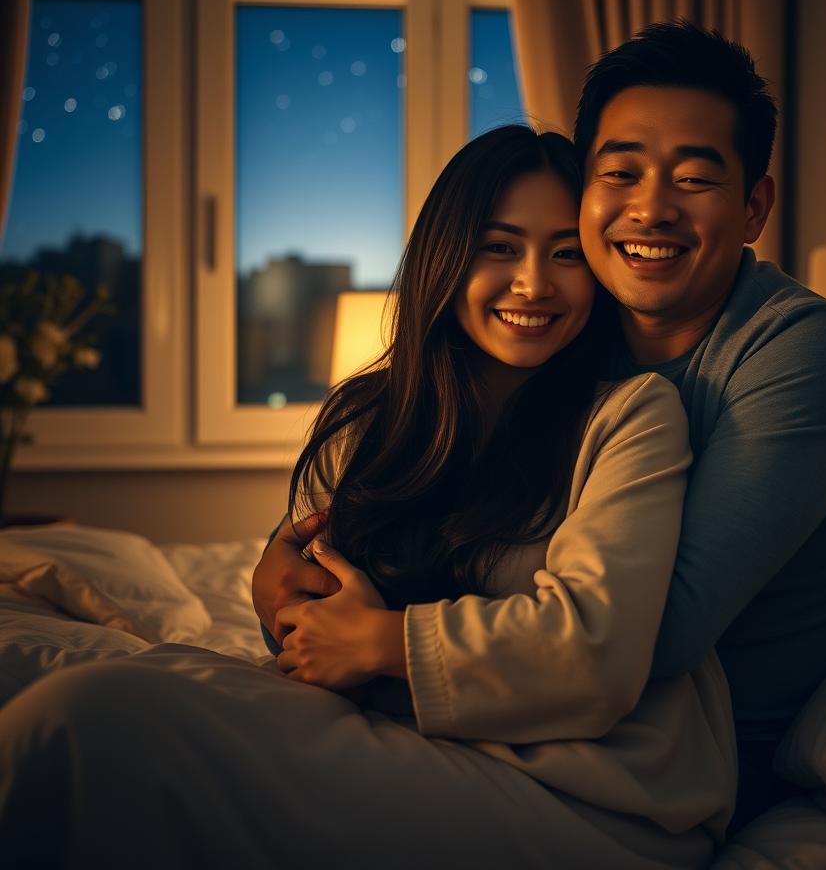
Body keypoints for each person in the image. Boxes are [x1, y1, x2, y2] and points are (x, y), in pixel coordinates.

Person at [0, 126, 735, 870]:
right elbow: (316, 622)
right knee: (83, 698)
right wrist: (274, 600)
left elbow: (595, 653)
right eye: (500, 247)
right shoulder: (372, 416)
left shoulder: (632, 415)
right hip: (401, 732)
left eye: (566, 253)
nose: (534, 283)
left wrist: (382, 643)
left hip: (587, 791)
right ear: (446, 258)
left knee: (88, 726)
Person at [573, 20, 826, 829]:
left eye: (693, 179)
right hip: (566, 714)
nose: (650, 208)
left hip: (709, 758)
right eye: (620, 172)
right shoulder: (569, 331)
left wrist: (395, 628)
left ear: (754, 207)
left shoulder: (811, 348)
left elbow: (661, 631)